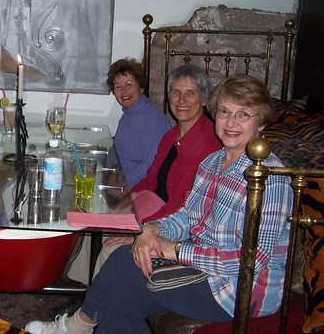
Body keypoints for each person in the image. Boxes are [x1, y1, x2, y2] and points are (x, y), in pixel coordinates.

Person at [26, 74, 292, 334]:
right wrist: (152, 230)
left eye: (243, 114)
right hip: (204, 270)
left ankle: (76, 326)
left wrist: (174, 250)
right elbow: (188, 215)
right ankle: (78, 326)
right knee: (125, 296)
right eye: (224, 112)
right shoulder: (212, 163)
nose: (231, 122)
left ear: (261, 124)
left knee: (124, 264)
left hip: (238, 291)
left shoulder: (269, 178)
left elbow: (251, 260)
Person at [67, 65, 222, 284]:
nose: (181, 99)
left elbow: (182, 205)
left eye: (190, 93)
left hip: (172, 220)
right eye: (175, 93)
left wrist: (137, 228)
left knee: (110, 248)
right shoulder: (172, 135)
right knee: (93, 222)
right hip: (150, 204)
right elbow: (151, 176)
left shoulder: (208, 143)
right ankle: (85, 290)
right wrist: (125, 199)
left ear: (204, 99)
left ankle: (98, 309)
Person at [107, 58, 171, 188]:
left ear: (141, 87)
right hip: (118, 179)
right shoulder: (129, 114)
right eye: (118, 87)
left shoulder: (152, 119)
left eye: (129, 84)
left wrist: (121, 184)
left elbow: (150, 166)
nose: (123, 91)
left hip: (136, 189)